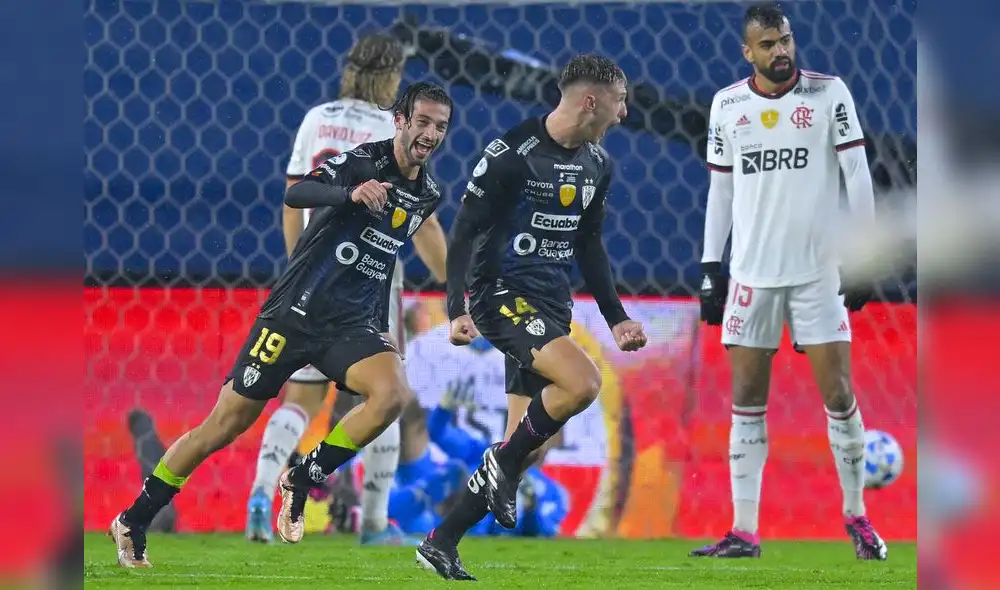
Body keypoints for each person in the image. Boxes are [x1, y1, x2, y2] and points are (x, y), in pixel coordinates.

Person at [108, 81, 453, 567]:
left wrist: (454, 299)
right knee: (223, 426)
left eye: (441, 126)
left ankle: (303, 477)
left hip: (349, 324)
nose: (431, 133)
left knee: (392, 394)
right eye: (423, 121)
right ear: (399, 120)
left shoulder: (428, 194)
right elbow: (299, 194)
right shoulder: (364, 163)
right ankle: (134, 518)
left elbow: (385, 251)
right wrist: (348, 193)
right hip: (293, 315)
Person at [416, 54, 648, 581]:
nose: (624, 113)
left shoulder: (597, 165)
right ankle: (500, 462)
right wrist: (456, 308)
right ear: (591, 101)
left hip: (550, 306)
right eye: (619, 100)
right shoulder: (510, 154)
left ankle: (442, 540)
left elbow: (590, 245)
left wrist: (616, 319)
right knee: (584, 382)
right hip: (501, 296)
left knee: (530, 450)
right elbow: (463, 234)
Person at [691, 3, 887, 561]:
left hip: (817, 275)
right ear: (747, 52)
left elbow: (857, 175)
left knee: (839, 395)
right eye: (768, 44)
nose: (781, 51)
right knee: (747, 401)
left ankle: (858, 518)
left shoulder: (830, 95)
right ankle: (744, 532)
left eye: (786, 40)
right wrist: (711, 266)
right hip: (752, 276)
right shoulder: (727, 105)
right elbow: (721, 191)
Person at [246, 32, 448, 547]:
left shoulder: (317, 117)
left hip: (310, 272)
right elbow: (422, 224)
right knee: (384, 389)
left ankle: (259, 495)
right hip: (371, 271)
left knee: (300, 395)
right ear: (392, 78)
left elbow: (293, 197)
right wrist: (453, 280)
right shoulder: (393, 124)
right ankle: (376, 523)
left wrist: (296, 269)